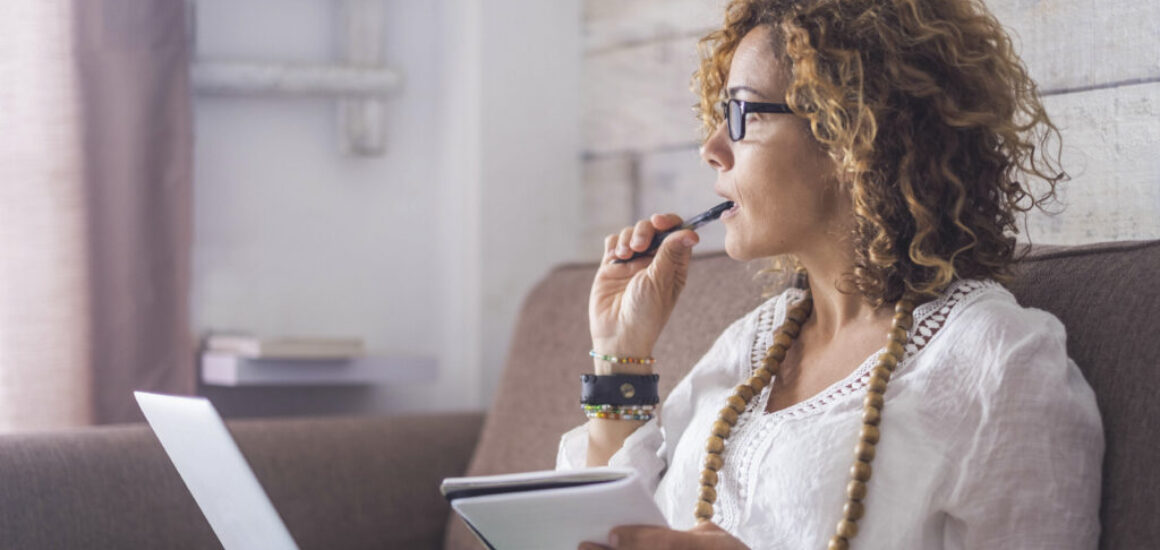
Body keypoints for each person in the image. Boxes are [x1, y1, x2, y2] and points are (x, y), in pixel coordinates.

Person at [559, 0, 1104, 549]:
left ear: (851, 132)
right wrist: (620, 353)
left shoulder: (997, 361)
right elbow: (614, 529)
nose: (712, 150)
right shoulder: (749, 346)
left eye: (742, 114)